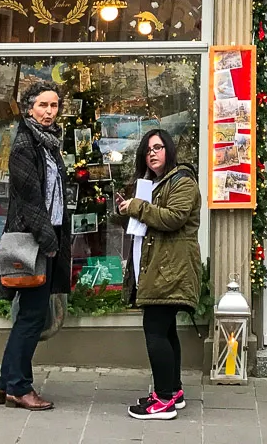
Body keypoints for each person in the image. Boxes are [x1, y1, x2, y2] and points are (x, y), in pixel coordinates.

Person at [0, 82, 71, 411]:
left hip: (46, 240)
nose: (49, 112)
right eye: (43, 106)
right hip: (35, 243)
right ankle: (19, 388)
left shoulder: (48, 143)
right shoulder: (26, 143)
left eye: (53, 106)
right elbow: (29, 200)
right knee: (32, 318)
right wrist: (49, 240)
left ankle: (4, 383)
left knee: (30, 316)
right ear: (29, 109)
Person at [113, 128, 202, 422]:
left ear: (169, 151)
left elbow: (173, 218)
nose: (152, 153)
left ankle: (162, 400)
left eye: (158, 147)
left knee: (155, 331)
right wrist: (125, 209)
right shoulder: (152, 184)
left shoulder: (183, 181)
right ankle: (172, 391)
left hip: (170, 269)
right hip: (157, 268)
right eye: (148, 149)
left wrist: (137, 207)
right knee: (165, 330)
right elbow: (146, 222)